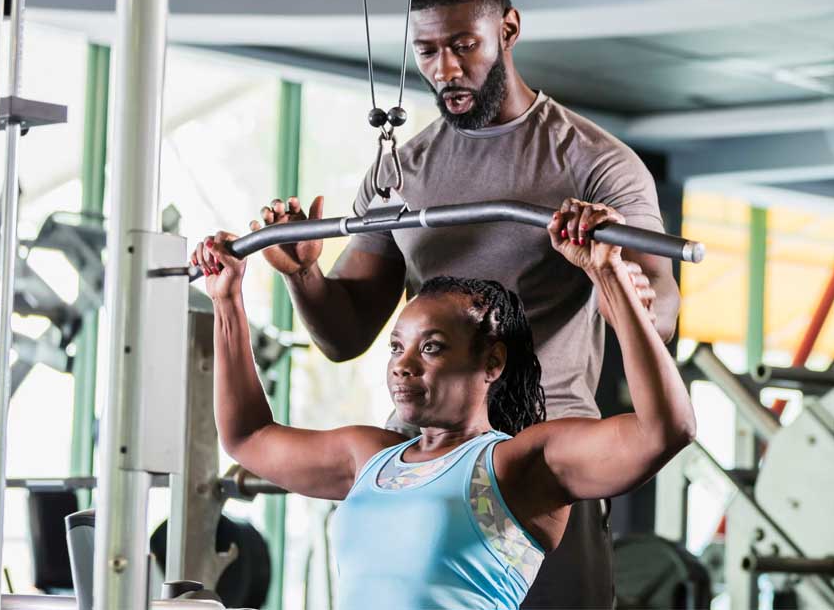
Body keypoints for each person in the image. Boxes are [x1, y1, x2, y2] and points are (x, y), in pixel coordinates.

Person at [253, 0, 680, 607]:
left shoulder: (594, 163)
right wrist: (305, 276)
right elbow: (345, 335)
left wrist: (621, 284)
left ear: (508, 30)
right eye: (427, 51)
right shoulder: (401, 173)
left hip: (542, 469)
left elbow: (660, 307)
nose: (445, 69)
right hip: (424, 463)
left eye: (463, 45)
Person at [192, 200, 695, 610]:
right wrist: (227, 300)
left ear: (492, 362)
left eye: (430, 347)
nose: (402, 365)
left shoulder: (517, 467)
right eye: (397, 347)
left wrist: (608, 274)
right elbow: (248, 437)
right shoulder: (370, 461)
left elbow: (665, 431)